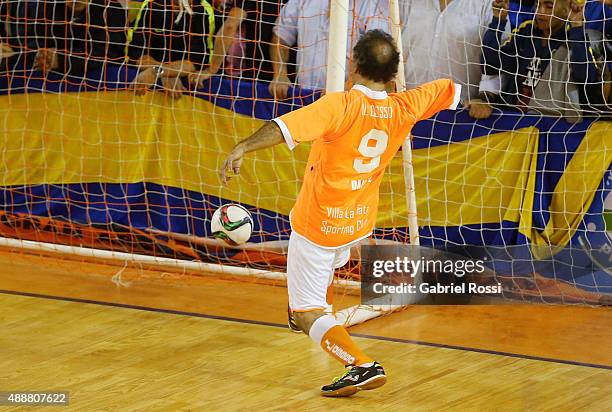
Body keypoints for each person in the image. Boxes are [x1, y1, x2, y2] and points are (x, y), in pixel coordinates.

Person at [220, 30, 461, 397]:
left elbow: (283, 128)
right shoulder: (405, 105)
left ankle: (360, 365)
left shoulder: (340, 106)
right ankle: (318, 305)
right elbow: (449, 89)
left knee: (304, 312)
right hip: (357, 224)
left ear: (353, 65)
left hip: (319, 226)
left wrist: (241, 147)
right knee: (323, 274)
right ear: (394, 76)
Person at [468, 0, 602, 120]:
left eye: (548, 6)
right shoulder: (527, 31)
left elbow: (585, 79)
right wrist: (498, 20)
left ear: (567, 10)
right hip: (513, 120)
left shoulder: (576, 38)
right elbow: (490, 65)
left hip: (552, 124)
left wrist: (577, 26)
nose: (540, 12)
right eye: (537, 5)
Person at [127, 0, 253, 99]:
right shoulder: (151, 5)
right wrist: (164, 73)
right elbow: (137, 55)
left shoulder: (203, 9)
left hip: (192, 99)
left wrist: (158, 71)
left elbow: (196, 62)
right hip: (150, 98)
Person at [268, 0, 389, 98]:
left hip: (348, 101)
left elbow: (377, 58)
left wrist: (347, 88)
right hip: (304, 98)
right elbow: (280, 38)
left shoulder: (374, 5)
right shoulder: (301, 2)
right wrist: (280, 74)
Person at [399, 0, 500, 101]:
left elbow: (500, 55)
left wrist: (484, 97)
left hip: (460, 109)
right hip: (407, 103)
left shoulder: (488, 4)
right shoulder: (405, 2)